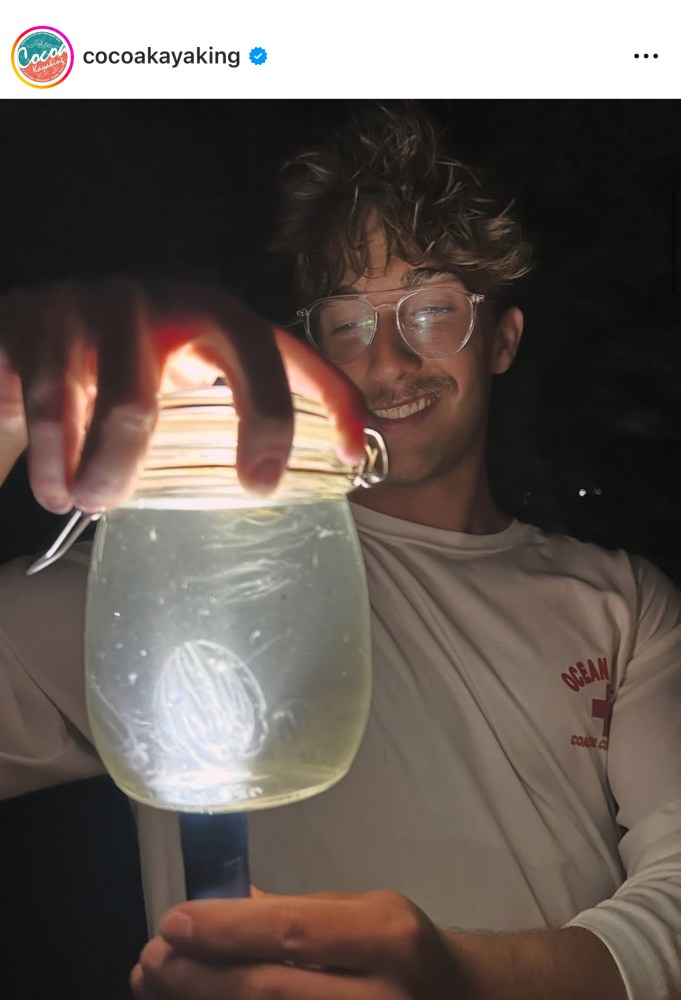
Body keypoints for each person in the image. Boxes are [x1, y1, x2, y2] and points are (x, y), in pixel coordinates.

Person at [0, 105, 679, 1000]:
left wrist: (464, 978)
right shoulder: (188, 576)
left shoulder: (621, 603)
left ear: (502, 339)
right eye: (348, 320)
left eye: (430, 311)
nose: (388, 361)